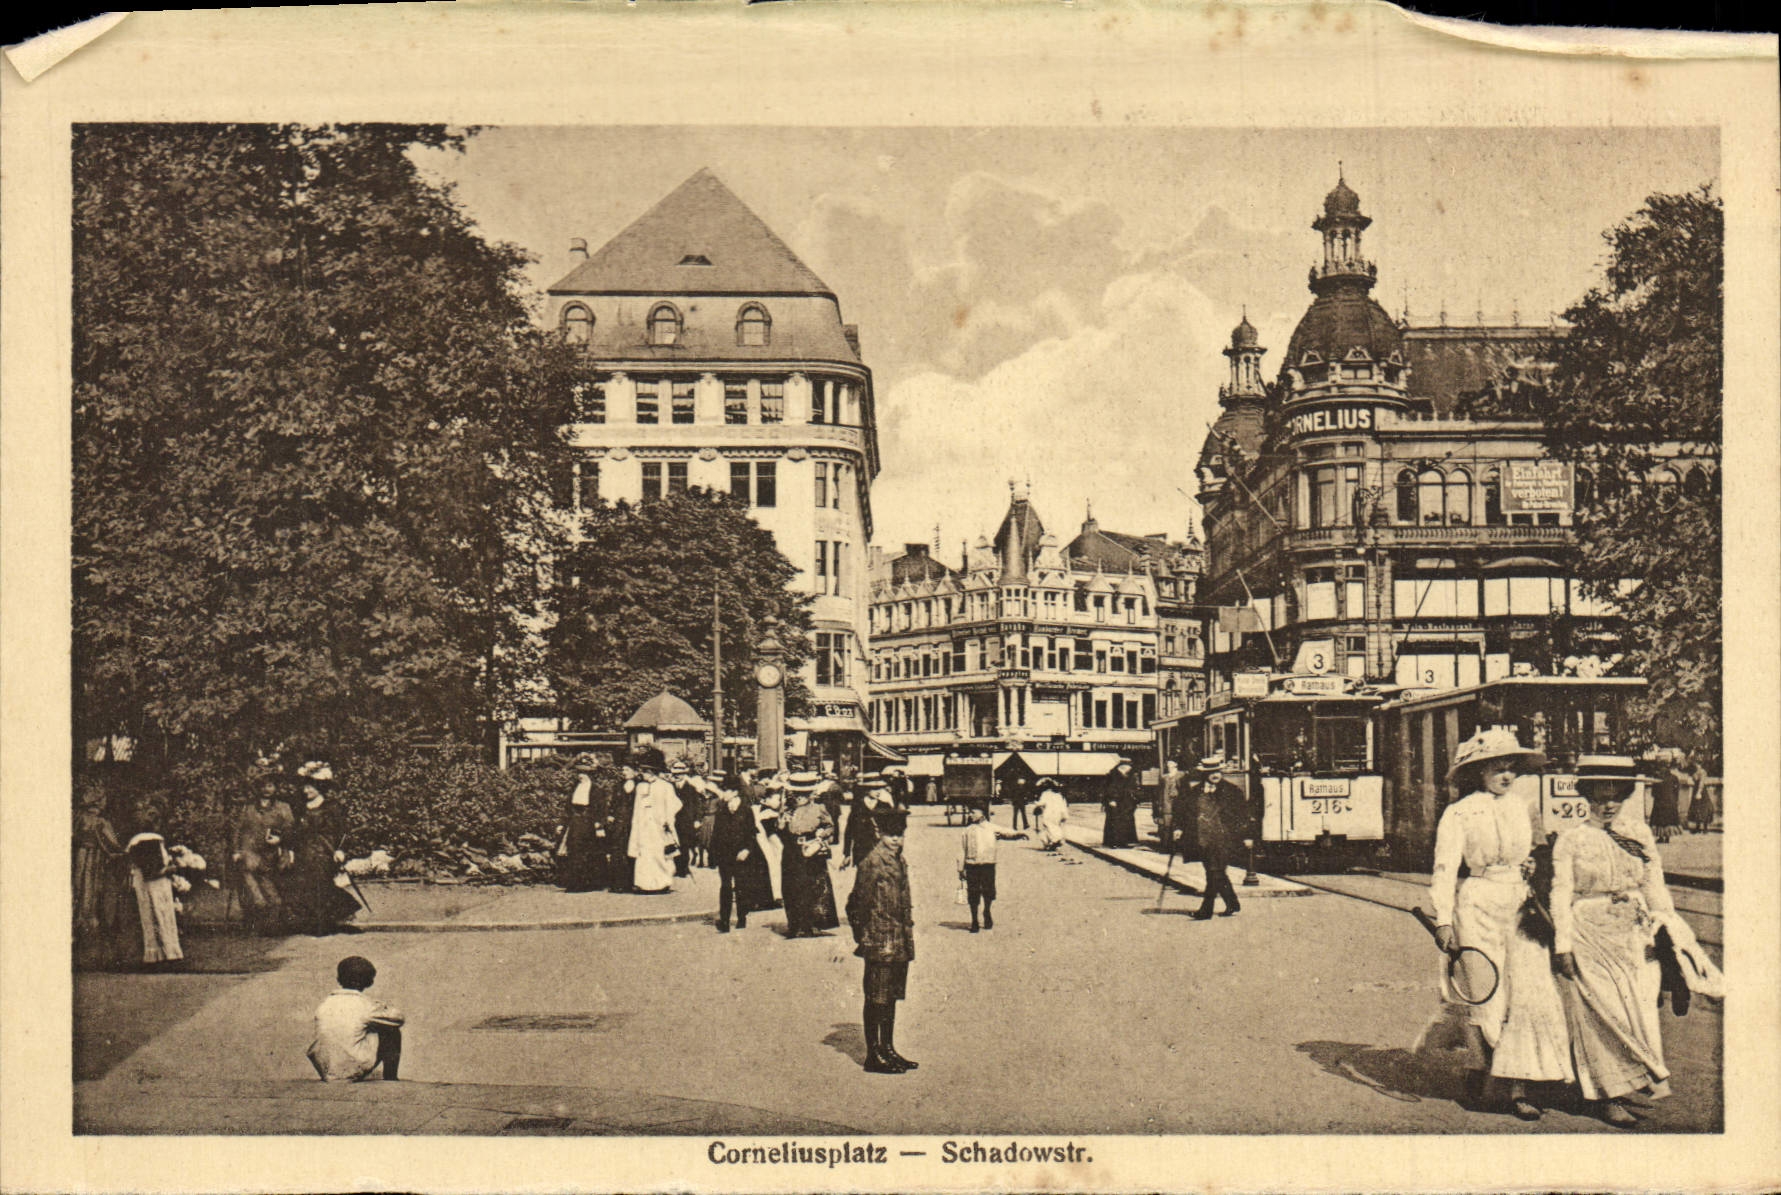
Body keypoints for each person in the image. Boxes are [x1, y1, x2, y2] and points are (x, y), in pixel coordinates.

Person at [1429, 728, 1573, 1120]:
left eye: (1511, 769)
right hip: (1477, 905)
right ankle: (1484, 1071)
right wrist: (1443, 920)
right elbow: (1445, 869)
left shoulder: (1522, 806)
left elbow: (1536, 854)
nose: (1506, 777)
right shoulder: (1459, 813)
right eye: (1497, 769)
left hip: (1519, 905)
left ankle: (1520, 1085)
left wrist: (1529, 866)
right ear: (1478, 772)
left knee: (1529, 993)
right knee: (1486, 995)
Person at [1546, 755, 1681, 1127]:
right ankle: (1609, 1096)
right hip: (1588, 931)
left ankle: (1632, 1079)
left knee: (1637, 1010)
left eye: (1616, 796)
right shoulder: (1571, 839)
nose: (1608, 804)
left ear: (1625, 796)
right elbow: (1561, 894)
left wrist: (1665, 927)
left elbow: (1654, 884)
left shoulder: (1639, 834)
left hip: (1634, 933)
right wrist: (1563, 946)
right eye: (1599, 796)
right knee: (1604, 1013)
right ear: (1586, 796)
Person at [846, 806, 917, 1074]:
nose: (896, 840)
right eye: (891, 835)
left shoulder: (899, 859)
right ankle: (873, 1055)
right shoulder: (872, 862)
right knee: (876, 997)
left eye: (900, 834)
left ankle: (888, 1048)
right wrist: (864, 936)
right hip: (879, 939)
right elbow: (856, 903)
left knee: (890, 997)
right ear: (880, 834)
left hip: (898, 939)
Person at [286, 764, 364, 935]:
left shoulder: (331, 807)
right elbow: (294, 832)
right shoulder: (300, 808)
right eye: (304, 787)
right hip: (304, 852)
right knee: (306, 886)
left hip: (325, 851)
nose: (306, 791)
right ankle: (317, 923)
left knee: (322, 884)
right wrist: (291, 851)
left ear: (319, 787)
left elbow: (343, 831)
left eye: (310, 787)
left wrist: (340, 850)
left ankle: (339, 915)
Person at [307, 955, 405, 1082]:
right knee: (391, 1030)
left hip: (325, 1070)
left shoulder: (325, 1003)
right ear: (369, 982)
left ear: (339, 979)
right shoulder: (367, 1006)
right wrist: (382, 1007)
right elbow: (399, 1019)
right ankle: (391, 1079)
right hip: (351, 1069)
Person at [74, 778, 128, 959]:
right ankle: (88, 923)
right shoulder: (100, 822)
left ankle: (82, 920)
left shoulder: (78, 818)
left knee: (80, 885)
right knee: (92, 887)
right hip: (94, 858)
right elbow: (112, 843)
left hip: (80, 856)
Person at [124, 802, 184, 968]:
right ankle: (168, 954)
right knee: (161, 915)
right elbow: (153, 871)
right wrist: (171, 868)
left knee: (149, 917)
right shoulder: (151, 841)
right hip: (156, 886)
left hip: (143, 885)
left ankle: (154, 954)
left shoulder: (136, 842)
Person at [233, 775, 295, 931]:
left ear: (275, 788)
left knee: (273, 893)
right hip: (250, 853)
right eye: (263, 786)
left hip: (272, 854)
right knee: (252, 888)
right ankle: (255, 919)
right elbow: (238, 830)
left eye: (270, 786)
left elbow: (290, 831)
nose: (267, 790)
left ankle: (271, 922)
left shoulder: (283, 807)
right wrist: (236, 851)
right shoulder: (248, 808)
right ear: (257, 788)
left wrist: (279, 839)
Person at [780, 775, 840, 937]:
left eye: (804, 794)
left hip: (811, 849)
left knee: (811, 886)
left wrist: (820, 837)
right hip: (791, 850)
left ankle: (811, 923)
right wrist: (781, 822)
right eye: (797, 794)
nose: (800, 798)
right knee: (791, 886)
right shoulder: (787, 809)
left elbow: (830, 827)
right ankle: (794, 924)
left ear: (810, 794)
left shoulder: (819, 808)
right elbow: (780, 832)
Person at [1188, 754, 1246, 920]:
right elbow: (1184, 811)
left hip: (1224, 839)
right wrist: (1178, 828)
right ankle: (1232, 903)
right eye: (1212, 772)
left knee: (1214, 872)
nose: (1216, 775)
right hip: (1203, 839)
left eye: (1218, 771)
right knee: (1215, 872)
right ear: (1204, 774)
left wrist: (1246, 835)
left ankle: (1205, 910)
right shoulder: (1195, 792)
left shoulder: (1232, 791)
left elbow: (1243, 815)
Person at [711, 782, 775, 932]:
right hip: (725, 855)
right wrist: (714, 854)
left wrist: (747, 850)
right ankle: (725, 921)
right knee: (725, 886)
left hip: (742, 854)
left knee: (741, 886)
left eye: (725, 790)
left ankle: (741, 917)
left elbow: (751, 833)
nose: (723, 794)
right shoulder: (721, 811)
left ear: (734, 792)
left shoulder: (746, 810)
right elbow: (716, 834)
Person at [958, 802, 1021, 932]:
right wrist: (960, 868)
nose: (970, 815)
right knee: (973, 893)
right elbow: (962, 850)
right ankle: (974, 920)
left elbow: (1006, 832)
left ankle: (987, 911)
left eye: (973, 812)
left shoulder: (991, 828)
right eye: (970, 812)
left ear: (982, 814)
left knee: (988, 891)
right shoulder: (967, 830)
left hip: (988, 864)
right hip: (972, 865)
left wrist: (1018, 834)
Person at [627, 748, 680, 894]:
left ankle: (662, 883)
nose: (642, 774)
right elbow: (637, 809)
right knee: (644, 854)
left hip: (659, 826)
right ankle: (644, 884)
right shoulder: (640, 787)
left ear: (651, 771)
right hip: (644, 825)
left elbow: (674, 805)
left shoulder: (665, 787)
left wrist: (668, 821)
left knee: (659, 854)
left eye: (644, 771)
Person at [557, 754, 606, 893]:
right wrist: (562, 823)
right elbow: (567, 807)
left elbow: (601, 809)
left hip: (589, 823)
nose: (580, 776)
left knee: (588, 853)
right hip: (575, 822)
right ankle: (574, 882)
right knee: (573, 851)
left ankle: (588, 883)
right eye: (579, 772)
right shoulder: (574, 788)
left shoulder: (597, 790)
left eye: (584, 773)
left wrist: (599, 824)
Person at [843, 776, 887, 868]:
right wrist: (847, 854)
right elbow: (849, 831)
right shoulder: (857, 807)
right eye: (875, 789)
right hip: (861, 852)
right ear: (867, 790)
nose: (878, 791)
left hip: (881, 851)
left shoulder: (885, 806)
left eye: (880, 788)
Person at [668, 758, 700, 877]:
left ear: (684, 774)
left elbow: (697, 804)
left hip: (687, 820)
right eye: (675, 774)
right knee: (675, 844)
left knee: (685, 844)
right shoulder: (670, 787)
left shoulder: (691, 788)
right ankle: (677, 867)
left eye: (680, 774)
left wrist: (697, 819)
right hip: (673, 820)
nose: (677, 776)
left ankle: (684, 868)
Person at [1101, 758, 1139, 848]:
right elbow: (1109, 789)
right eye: (1128, 767)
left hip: (1127, 803)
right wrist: (1111, 799)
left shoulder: (1129, 776)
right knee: (1115, 822)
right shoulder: (1113, 775)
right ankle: (1114, 842)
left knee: (1126, 821)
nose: (1129, 769)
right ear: (1123, 767)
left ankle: (1125, 841)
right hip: (1116, 802)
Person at [1647, 753, 1683, 843]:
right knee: (1669, 819)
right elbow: (1677, 789)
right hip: (1671, 801)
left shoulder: (1657, 777)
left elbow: (1654, 791)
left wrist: (1655, 795)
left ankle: (1661, 837)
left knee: (1659, 819)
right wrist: (1675, 799)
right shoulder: (1674, 777)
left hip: (1660, 800)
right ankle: (1667, 837)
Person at [1033, 777, 1069, 849]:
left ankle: (1054, 840)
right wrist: (1064, 815)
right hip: (1058, 814)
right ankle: (1054, 841)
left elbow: (1042, 803)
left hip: (1048, 813)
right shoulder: (1059, 795)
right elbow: (1064, 805)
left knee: (1048, 827)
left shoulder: (1045, 794)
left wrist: (1036, 803)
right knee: (1055, 827)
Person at [1683, 752, 1715, 833]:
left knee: (1703, 808)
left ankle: (1705, 827)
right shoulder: (1696, 772)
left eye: (1697, 764)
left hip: (1701, 791)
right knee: (1696, 808)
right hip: (1696, 789)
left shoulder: (1702, 772)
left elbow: (1701, 782)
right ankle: (1698, 826)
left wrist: (1699, 792)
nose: (1695, 765)